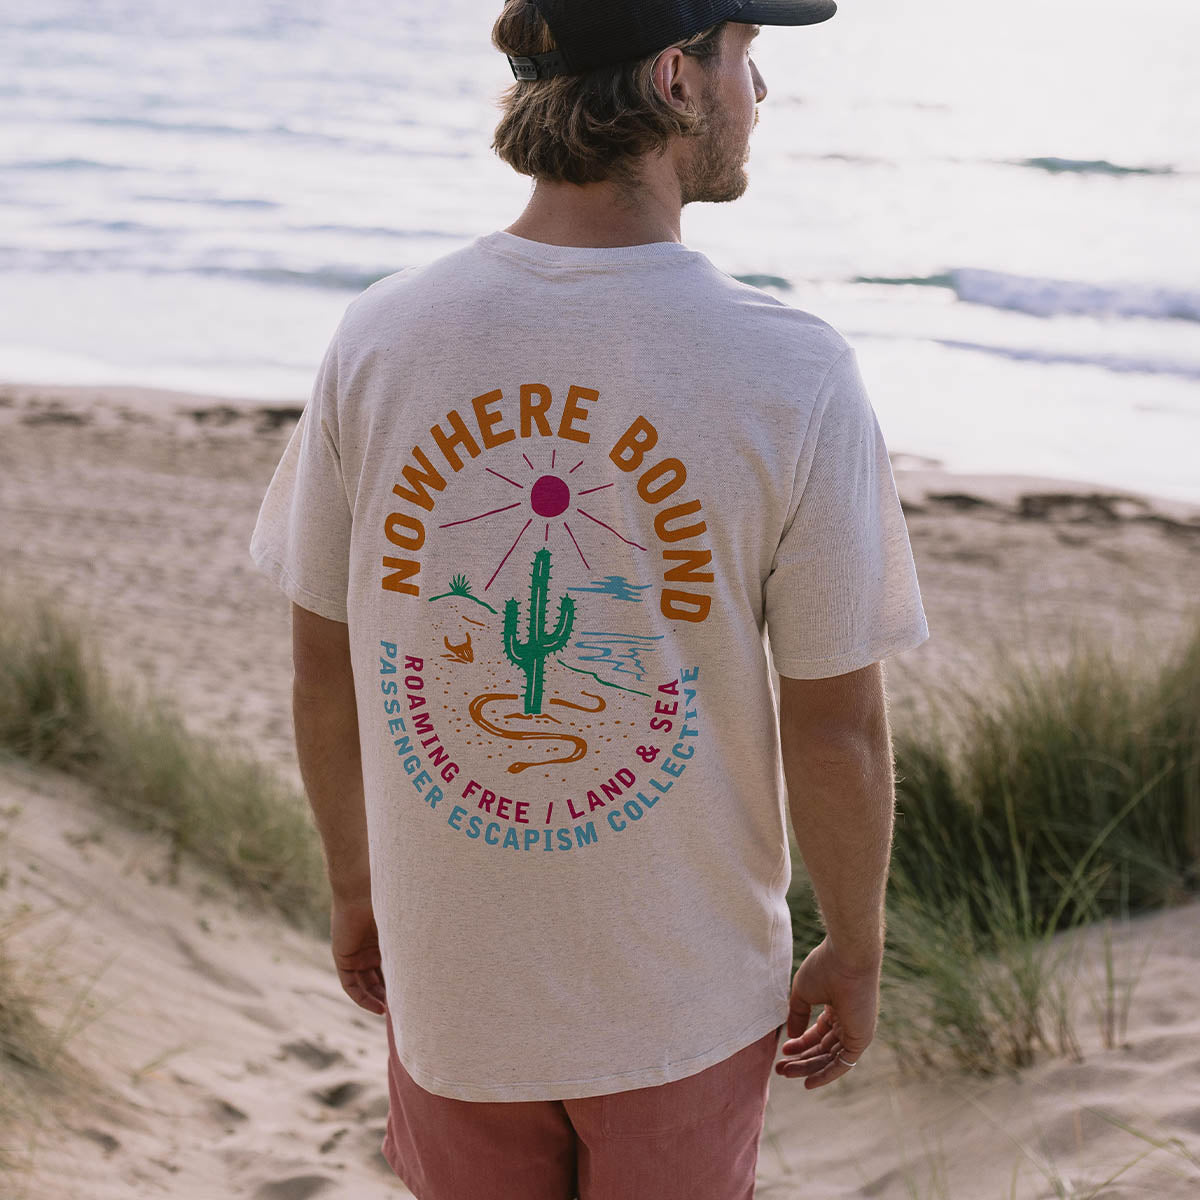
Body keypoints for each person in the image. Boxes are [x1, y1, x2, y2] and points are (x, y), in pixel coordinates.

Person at [249, 0, 930, 1195]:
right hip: (681, 996)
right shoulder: (792, 368)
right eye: (745, 56)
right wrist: (856, 947)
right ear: (676, 77)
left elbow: (326, 664)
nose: (759, 93)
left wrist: (358, 889)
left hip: (454, 986)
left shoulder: (382, 336)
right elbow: (836, 724)